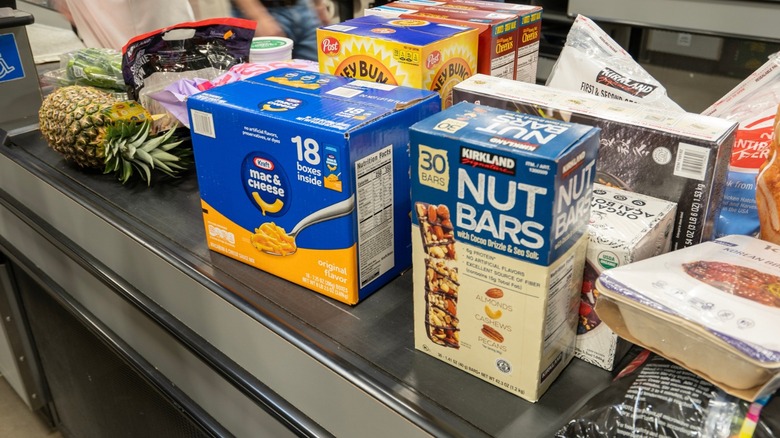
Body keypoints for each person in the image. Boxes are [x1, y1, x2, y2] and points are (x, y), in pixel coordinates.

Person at [232, 0, 330, 61]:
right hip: (263, 12)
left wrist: (318, 5)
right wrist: (256, 15)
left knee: (319, 75)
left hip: (304, 8)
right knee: (269, 82)